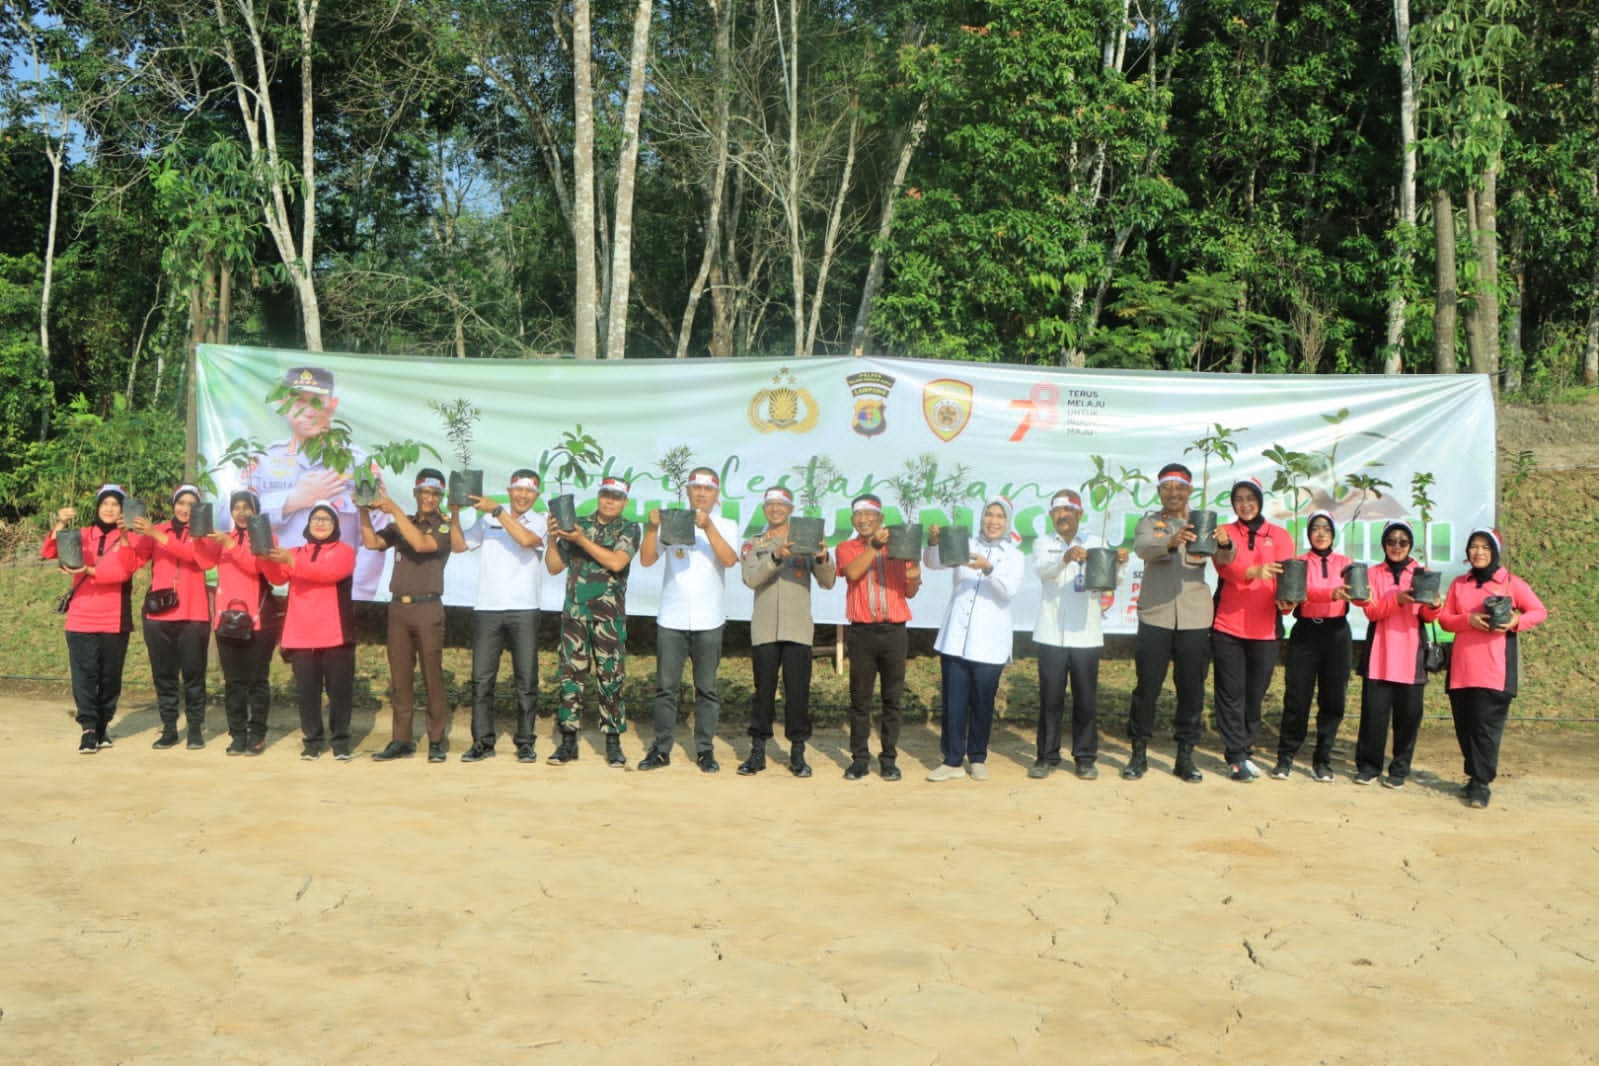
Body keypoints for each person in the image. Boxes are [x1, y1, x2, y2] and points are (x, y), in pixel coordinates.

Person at [1124, 463, 1236, 783]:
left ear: (1189, 491)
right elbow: (1144, 548)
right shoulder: (1150, 522)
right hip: (1155, 615)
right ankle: (1138, 752)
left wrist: (1225, 543)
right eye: (1166, 488)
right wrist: (1172, 541)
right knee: (1147, 687)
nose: (1173, 493)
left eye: (1180, 488)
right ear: (1159, 492)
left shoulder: (1204, 523)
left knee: (1191, 689)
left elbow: (1226, 560)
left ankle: (1185, 756)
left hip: (1195, 618)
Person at [247, 366, 387, 600]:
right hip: (276, 588)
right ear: (284, 403)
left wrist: (359, 595)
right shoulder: (263, 460)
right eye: (299, 401)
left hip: (337, 590)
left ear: (332, 404)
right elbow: (229, 520)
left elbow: (377, 534)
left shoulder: (359, 464)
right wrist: (291, 501)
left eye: (317, 402)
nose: (309, 411)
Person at [637, 467, 738, 773]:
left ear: (716, 495)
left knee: (707, 688)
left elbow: (730, 559)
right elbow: (646, 559)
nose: (701, 494)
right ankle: (661, 748)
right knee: (666, 687)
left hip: (710, 618)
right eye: (696, 488)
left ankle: (705, 750)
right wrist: (652, 528)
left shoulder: (726, 524)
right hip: (672, 616)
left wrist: (708, 528)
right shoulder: (673, 521)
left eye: (708, 490)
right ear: (687, 492)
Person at [1438, 529, 1546, 808]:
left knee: (1485, 728)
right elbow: (1446, 620)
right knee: (1465, 726)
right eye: (1474, 546)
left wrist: (1515, 622)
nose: (1479, 552)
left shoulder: (1511, 583)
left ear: (1495, 552)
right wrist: (1468, 620)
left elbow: (1538, 611)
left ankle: (1481, 783)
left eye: (1485, 547)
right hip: (1462, 669)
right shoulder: (1460, 584)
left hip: (1494, 670)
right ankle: (1474, 776)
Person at [921, 497, 1025, 781]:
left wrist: (988, 567)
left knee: (982, 702)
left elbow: (1008, 590)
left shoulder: (1014, 555)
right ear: (982, 518)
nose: (993, 521)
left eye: (999, 517)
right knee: (953, 702)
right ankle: (952, 760)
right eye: (989, 515)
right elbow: (934, 563)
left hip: (989, 641)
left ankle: (977, 756)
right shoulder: (964, 544)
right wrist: (932, 543)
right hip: (956, 636)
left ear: (1007, 522)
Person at [737, 486, 837, 777]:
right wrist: (776, 556)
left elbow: (828, 581)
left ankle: (797, 754)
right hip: (765, 629)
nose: (776, 509)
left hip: (798, 629)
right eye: (770, 505)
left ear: (791, 509)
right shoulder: (754, 543)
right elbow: (751, 579)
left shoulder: (805, 540)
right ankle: (757, 752)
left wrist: (821, 556)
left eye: (781, 505)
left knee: (798, 693)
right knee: (763, 692)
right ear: (764, 509)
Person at [1030, 488, 1128, 780]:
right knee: (1050, 698)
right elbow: (1043, 571)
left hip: (1087, 634)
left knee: (1086, 699)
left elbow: (1113, 581)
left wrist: (1121, 562)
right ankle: (1046, 756)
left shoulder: (1096, 542)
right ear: (1051, 515)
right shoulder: (1043, 542)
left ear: (1079, 514)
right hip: (1051, 634)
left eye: (1069, 510)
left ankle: (1085, 757)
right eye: (1058, 511)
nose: (1063, 516)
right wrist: (1065, 557)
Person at [545, 475, 641, 768]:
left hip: (608, 618)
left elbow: (617, 562)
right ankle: (568, 742)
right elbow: (553, 566)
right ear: (599, 496)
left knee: (611, 678)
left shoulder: (629, 528)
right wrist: (553, 538)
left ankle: (612, 742)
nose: (610, 500)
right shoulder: (577, 524)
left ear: (624, 502)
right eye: (605, 494)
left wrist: (580, 541)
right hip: (575, 614)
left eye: (616, 496)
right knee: (570, 678)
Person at [452, 470, 546, 763]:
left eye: (528, 492)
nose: (522, 496)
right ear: (508, 490)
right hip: (487, 608)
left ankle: (526, 742)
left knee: (526, 680)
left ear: (536, 496)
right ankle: (482, 742)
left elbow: (526, 540)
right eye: (517, 490)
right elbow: (458, 546)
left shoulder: (540, 521)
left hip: (524, 609)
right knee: (481, 680)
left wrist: (498, 511)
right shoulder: (487, 521)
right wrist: (454, 515)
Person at [362, 469, 454, 763]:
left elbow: (421, 545)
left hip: (428, 608)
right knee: (400, 678)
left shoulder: (444, 527)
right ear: (416, 494)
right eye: (423, 493)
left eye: (434, 494)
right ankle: (401, 739)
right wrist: (363, 510)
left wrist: (395, 510)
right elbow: (372, 543)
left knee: (432, 676)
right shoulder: (404, 522)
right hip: (398, 609)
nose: (428, 499)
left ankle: (437, 739)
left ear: (441, 497)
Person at [44, 485, 142, 753]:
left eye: (115, 504)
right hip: (81, 617)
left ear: (123, 510)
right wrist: (61, 523)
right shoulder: (83, 534)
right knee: (84, 676)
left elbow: (123, 571)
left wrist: (88, 568)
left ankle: (103, 725)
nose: (109, 508)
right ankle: (88, 728)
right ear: (98, 508)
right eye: (105, 504)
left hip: (115, 619)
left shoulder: (131, 538)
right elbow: (51, 552)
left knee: (110, 677)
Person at [1210, 476, 1294, 781]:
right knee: (1230, 693)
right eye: (1238, 499)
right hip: (1228, 625)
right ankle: (1237, 756)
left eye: (1250, 498)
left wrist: (1289, 602)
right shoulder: (1225, 532)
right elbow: (1223, 566)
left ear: (1259, 500)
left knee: (1255, 693)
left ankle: (1245, 747)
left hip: (1266, 629)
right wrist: (1252, 571)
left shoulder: (1280, 536)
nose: (1244, 504)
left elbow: (1289, 579)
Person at [835, 493, 922, 781]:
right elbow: (853, 572)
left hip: (895, 631)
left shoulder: (899, 548)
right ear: (852, 520)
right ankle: (860, 758)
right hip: (862, 632)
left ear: (880, 519)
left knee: (892, 699)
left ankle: (888, 758)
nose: (863, 520)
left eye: (869, 515)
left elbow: (909, 592)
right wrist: (873, 547)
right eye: (858, 516)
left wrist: (913, 576)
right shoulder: (847, 547)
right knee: (860, 699)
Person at [199, 491, 289, 756]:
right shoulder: (224, 538)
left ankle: (257, 734)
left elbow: (255, 568)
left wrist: (230, 544)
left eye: (246, 507)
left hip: (259, 621)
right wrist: (198, 538)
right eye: (236, 507)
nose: (240, 512)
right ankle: (237, 734)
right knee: (234, 682)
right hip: (227, 621)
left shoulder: (264, 537)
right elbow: (204, 561)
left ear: (255, 511)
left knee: (257, 681)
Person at [1353, 519, 1442, 787]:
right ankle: (1369, 766)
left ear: (1410, 545)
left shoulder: (1421, 573)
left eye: (1403, 542)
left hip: (1410, 656)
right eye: (1391, 541)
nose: (1396, 546)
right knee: (1373, 715)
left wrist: (1435, 605)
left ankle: (1400, 769)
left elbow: (1426, 615)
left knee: (1409, 716)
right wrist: (1397, 600)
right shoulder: (1373, 574)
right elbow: (1371, 611)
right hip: (1380, 654)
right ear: (1384, 544)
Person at [1271, 510, 1357, 782]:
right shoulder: (1297, 563)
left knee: (1333, 699)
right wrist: (1284, 602)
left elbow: (1360, 595)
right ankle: (1285, 757)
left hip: (1337, 633)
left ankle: (1323, 759)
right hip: (1306, 632)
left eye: (1326, 528)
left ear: (1333, 533)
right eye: (1315, 528)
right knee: (1297, 697)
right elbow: (1288, 605)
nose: (1320, 533)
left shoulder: (1346, 563)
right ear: (1308, 533)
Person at [268, 501, 358, 760]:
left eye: (326, 519)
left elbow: (326, 574)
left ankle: (340, 741)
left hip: (336, 633)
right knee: (307, 692)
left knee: (339, 691)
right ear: (307, 524)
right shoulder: (295, 551)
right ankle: (313, 740)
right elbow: (277, 578)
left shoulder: (345, 552)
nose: (320, 523)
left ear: (336, 525)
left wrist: (290, 561)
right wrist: (265, 558)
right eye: (315, 519)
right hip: (301, 632)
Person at [129, 484, 214, 750]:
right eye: (181, 503)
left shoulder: (203, 533)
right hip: (159, 616)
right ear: (173, 504)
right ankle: (168, 728)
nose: (185, 508)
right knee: (164, 675)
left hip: (193, 614)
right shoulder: (159, 530)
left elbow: (199, 559)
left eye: (191, 504)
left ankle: (196, 729)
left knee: (193, 674)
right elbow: (135, 559)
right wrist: (124, 534)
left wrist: (156, 534)